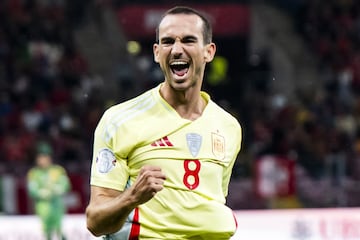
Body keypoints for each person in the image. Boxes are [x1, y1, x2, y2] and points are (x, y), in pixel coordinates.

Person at [86, 6, 242, 240]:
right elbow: (95, 222)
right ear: (157, 53)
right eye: (168, 42)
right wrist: (132, 197)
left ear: (208, 52)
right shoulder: (119, 121)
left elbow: (212, 202)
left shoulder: (228, 127)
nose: (177, 50)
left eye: (188, 40)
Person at [27, 141, 71, 240]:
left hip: (57, 207)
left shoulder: (58, 170)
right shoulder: (34, 173)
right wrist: (41, 193)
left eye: (43, 157)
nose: (41, 159)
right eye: (39, 157)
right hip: (42, 209)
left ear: (49, 157)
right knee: (46, 234)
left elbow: (66, 185)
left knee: (60, 232)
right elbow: (32, 190)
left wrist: (56, 190)